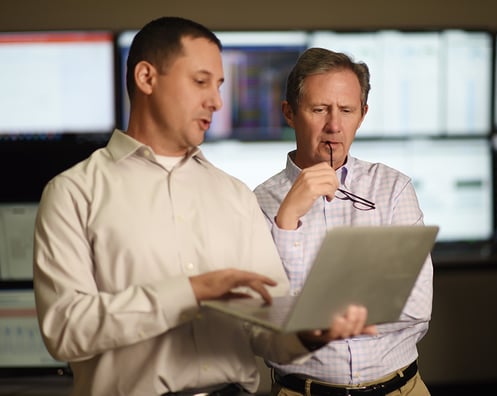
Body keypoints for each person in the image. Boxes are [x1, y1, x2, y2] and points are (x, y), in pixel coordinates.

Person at [33, 17, 375, 396]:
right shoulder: (73, 194)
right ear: (147, 78)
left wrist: (308, 332)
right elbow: (64, 331)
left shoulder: (234, 195)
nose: (216, 100)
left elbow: (269, 331)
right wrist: (189, 291)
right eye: (200, 82)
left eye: (219, 85)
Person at [254, 48, 433, 396]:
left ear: (362, 115)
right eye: (319, 109)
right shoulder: (258, 203)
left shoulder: (393, 189)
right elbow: (270, 326)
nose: (334, 125)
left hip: (402, 389)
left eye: (347, 110)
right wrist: (287, 221)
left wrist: (317, 314)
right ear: (289, 113)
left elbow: (416, 305)